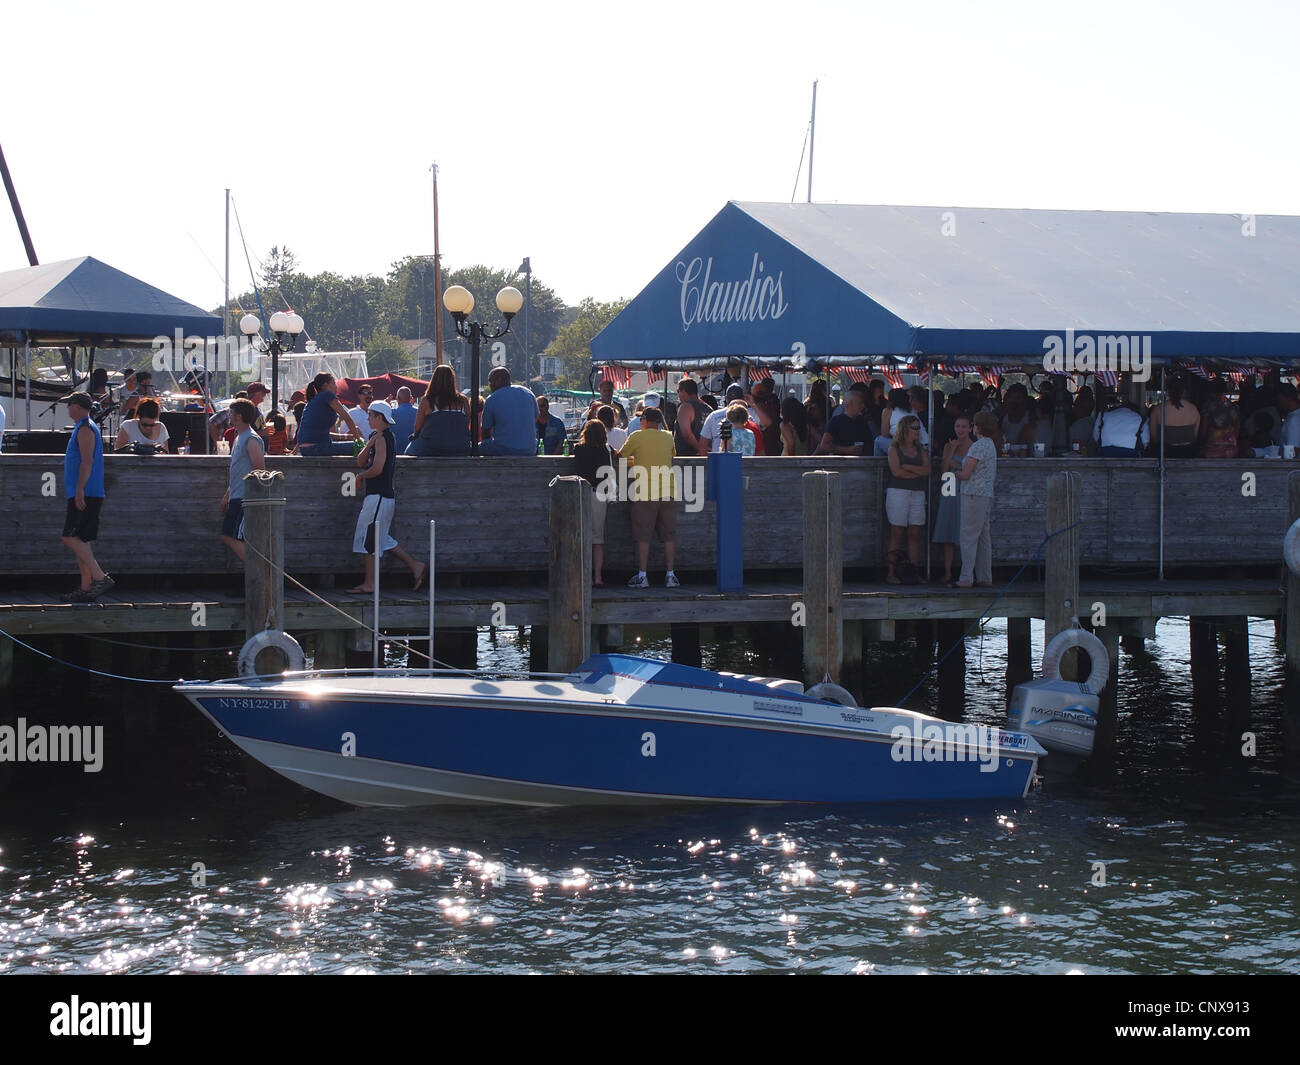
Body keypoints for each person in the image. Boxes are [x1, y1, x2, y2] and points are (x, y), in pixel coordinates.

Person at [347, 400, 428, 594]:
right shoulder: (378, 437)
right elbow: (360, 461)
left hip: (379, 496)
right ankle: (415, 565)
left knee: (369, 539)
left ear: (379, 417)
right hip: (381, 497)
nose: (368, 418)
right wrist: (369, 444)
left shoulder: (384, 439)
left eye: (371, 415)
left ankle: (370, 583)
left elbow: (377, 469)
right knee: (380, 538)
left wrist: (360, 477)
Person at [59, 393, 113, 602]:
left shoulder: (85, 428)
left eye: (69, 405)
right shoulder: (83, 426)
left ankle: (100, 577)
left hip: (86, 492)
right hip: (83, 491)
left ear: (78, 406)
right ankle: (85, 587)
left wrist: (80, 488)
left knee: (69, 537)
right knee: (82, 541)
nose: (68, 409)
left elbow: (87, 461)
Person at [620, 406, 680, 588]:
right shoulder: (669, 436)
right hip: (668, 491)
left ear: (645, 420)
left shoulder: (637, 436)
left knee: (643, 536)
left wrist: (635, 459)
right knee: (668, 536)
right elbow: (672, 455)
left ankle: (642, 576)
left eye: (641, 420)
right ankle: (670, 575)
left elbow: (621, 455)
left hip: (645, 492)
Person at [954, 411, 999, 588]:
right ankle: (984, 576)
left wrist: (955, 473)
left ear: (977, 427)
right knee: (983, 537)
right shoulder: (990, 445)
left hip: (973, 494)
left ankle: (966, 577)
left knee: (968, 536)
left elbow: (966, 474)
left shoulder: (978, 446)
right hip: (985, 494)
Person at [885, 415, 931, 584]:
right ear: (905, 429)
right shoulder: (894, 448)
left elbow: (928, 470)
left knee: (915, 533)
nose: (918, 432)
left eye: (919, 428)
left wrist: (909, 467)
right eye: (914, 428)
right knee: (896, 532)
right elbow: (896, 472)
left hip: (917, 492)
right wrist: (916, 471)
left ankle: (914, 572)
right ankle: (891, 572)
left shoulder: (920, 450)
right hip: (898, 492)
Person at [219, 399, 266, 562]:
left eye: (230, 413)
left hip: (245, 498)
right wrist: (227, 495)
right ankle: (257, 572)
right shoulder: (239, 437)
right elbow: (238, 471)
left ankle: (258, 569)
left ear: (238, 416)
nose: (228, 416)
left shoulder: (251, 439)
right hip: (237, 496)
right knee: (231, 536)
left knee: (229, 536)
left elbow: (260, 471)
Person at [573, 419, 615, 586]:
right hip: (600, 495)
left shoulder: (578, 449)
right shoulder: (607, 450)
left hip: (582, 493)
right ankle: (598, 577)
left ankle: (580, 576)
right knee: (598, 539)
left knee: (581, 537)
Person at [933, 414, 972, 585]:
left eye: (964, 426)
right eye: (958, 426)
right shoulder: (949, 445)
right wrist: (950, 453)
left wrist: (957, 466)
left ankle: (967, 572)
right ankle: (948, 572)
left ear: (970, 428)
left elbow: (973, 470)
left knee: (966, 532)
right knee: (948, 530)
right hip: (948, 488)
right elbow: (943, 470)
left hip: (967, 489)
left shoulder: (975, 447)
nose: (960, 430)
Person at [407, 365, 470, 457]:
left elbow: (417, 427)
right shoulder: (463, 400)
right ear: (452, 380)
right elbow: (466, 422)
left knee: (409, 450)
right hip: (460, 448)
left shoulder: (428, 400)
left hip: (432, 448)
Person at [296, 373, 364, 455]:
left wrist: (345, 437)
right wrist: (359, 440)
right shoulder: (327, 395)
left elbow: (318, 432)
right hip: (317, 447)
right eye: (334, 383)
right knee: (362, 448)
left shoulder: (313, 400)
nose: (336, 387)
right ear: (325, 385)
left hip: (305, 449)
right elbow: (347, 418)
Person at [480, 367, 538, 456]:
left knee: (475, 448)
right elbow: (536, 418)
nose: (490, 385)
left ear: (499, 380)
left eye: (491, 381)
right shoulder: (528, 393)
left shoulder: (492, 399)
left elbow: (485, 431)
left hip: (504, 450)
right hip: (530, 450)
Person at [1148, 374, 1200, 457]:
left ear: (1168, 391)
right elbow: (1195, 436)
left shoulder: (1158, 409)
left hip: (1165, 452)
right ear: (1184, 391)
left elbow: (1154, 437)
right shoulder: (1194, 409)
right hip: (1188, 452)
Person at [815, 388, 870, 456]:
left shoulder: (863, 422)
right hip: (839, 463)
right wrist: (847, 450)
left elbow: (869, 443)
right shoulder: (836, 421)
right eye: (860, 403)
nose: (863, 406)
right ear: (850, 404)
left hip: (861, 463)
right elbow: (824, 446)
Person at [702, 384, 744, 453]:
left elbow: (703, 444)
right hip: (744, 462)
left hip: (719, 461)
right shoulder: (748, 417)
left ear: (726, 399)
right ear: (743, 398)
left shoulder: (713, 416)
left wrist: (711, 462)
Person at [674, 377, 709, 456]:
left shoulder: (685, 407)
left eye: (678, 391)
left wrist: (700, 450)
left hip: (686, 458)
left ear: (683, 391)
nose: (678, 395)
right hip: (707, 456)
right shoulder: (708, 409)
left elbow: (686, 434)